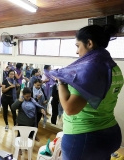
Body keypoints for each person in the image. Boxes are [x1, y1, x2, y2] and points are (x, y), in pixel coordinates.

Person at [50, 25, 123, 160]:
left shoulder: (89, 70)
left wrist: (60, 82)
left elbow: (70, 108)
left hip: (85, 138)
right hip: (110, 133)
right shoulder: (113, 68)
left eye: (78, 45)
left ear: (89, 43)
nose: (77, 51)